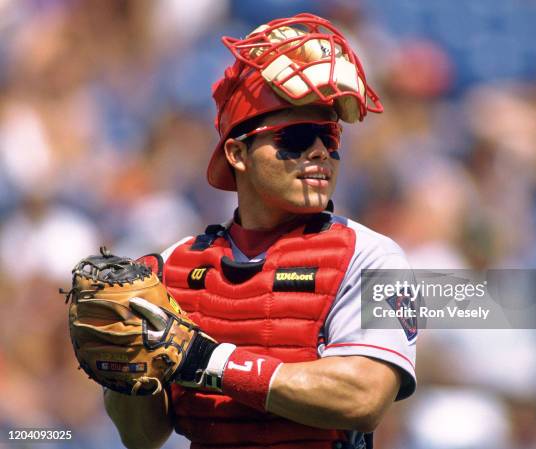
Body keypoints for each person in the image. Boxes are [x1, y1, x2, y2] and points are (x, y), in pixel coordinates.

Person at [104, 13, 417, 449]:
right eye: (296, 137)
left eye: (330, 138)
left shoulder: (372, 256)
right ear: (237, 152)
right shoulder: (175, 265)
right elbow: (144, 437)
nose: (318, 153)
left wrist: (212, 362)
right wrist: (124, 371)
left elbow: (364, 396)